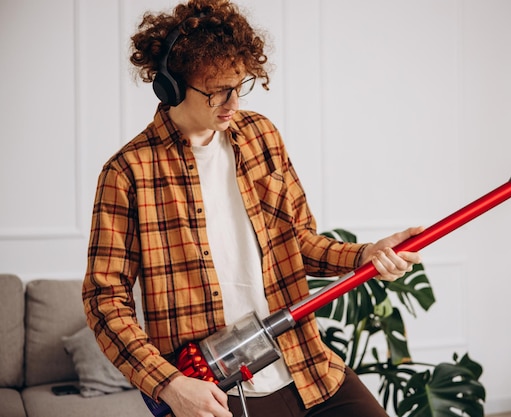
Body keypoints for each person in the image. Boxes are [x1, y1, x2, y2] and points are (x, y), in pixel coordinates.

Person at [82, 1, 423, 416]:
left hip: (305, 364)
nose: (232, 104)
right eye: (216, 91)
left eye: (238, 86)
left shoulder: (262, 136)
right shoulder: (128, 173)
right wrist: (169, 385)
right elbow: (105, 299)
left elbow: (297, 240)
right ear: (170, 87)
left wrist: (365, 254)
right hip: (217, 390)